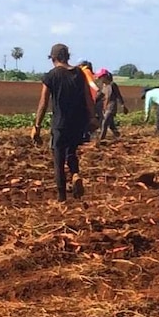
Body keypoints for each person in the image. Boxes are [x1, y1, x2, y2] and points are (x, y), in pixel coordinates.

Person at [32, 44, 99, 201]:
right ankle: (75, 174)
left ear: (53, 58)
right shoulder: (79, 73)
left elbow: (43, 102)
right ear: (67, 56)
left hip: (60, 124)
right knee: (71, 151)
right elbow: (88, 98)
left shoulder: (51, 76)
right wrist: (93, 117)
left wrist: (37, 126)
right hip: (78, 123)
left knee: (58, 160)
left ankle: (62, 198)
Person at [94, 68, 128, 144]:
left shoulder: (112, 85)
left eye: (100, 77)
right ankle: (119, 137)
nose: (99, 79)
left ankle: (100, 140)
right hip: (106, 107)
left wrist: (123, 105)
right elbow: (101, 95)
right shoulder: (104, 86)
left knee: (104, 122)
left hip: (111, 107)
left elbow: (118, 96)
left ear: (105, 76)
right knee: (111, 125)